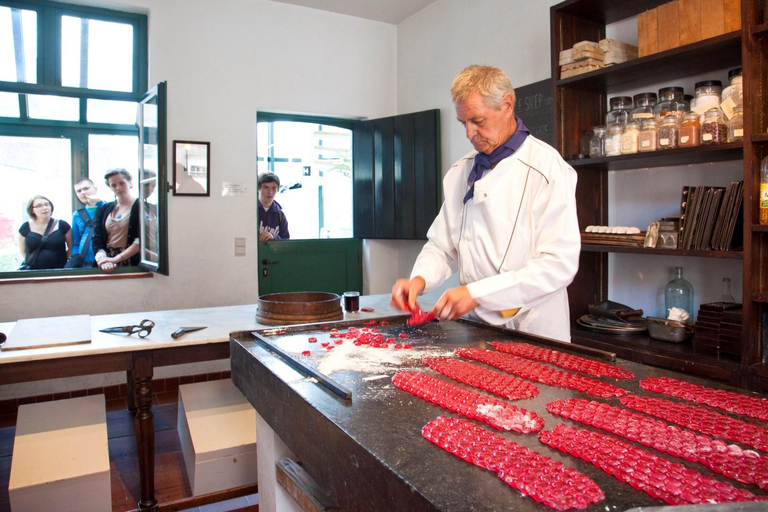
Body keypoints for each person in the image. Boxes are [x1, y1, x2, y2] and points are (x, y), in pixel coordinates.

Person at [390, 65, 580, 342]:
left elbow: (557, 265)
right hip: (476, 325)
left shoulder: (548, 170)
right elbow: (442, 246)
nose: (469, 133)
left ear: (506, 105)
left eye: (478, 121)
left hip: (532, 325)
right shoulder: (460, 171)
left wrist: (475, 294)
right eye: (463, 123)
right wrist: (418, 280)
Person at [92, 169, 141, 272]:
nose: (118, 188)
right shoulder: (103, 208)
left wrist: (116, 259)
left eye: (121, 183)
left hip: (131, 260)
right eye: (113, 185)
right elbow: (97, 239)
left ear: (130, 182)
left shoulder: (141, 206)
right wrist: (102, 259)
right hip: (106, 262)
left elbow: (140, 241)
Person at [18, 195, 73, 269]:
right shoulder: (25, 227)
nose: (44, 208)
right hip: (33, 271)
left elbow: (71, 246)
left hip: (59, 270)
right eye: (39, 206)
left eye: (47, 204)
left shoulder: (62, 225)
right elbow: (23, 251)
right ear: (32, 210)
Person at [70, 178, 106, 267]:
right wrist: (75, 259)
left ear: (95, 189)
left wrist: (98, 203)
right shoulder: (77, 215)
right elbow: (76, 242)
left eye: (86, 188)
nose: (83, 192)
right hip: (85, 264)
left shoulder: (108, 207)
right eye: (79, 191)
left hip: (106, 261)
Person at [258, 172, 290, 241]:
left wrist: (273, 237)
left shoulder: (280, 215)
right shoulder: (251, 211)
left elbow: (286, 242)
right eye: (266, 187)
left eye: (273, 188)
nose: (270, 192)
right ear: (259, 189)